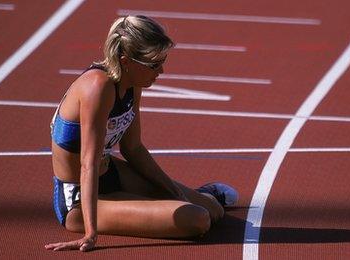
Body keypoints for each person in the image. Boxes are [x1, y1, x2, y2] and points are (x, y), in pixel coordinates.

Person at [44, 15, 238, 252]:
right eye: (154, 64)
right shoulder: (97, 88)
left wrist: (176, 191)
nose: (162, 71)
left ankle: (199, 195)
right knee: (197, 219)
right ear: (126, 61)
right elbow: (88, 164)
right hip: (79, 200)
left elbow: (133, 148)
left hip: (110, 173)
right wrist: (90, 234)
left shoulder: (132, 82)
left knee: (213, 211)